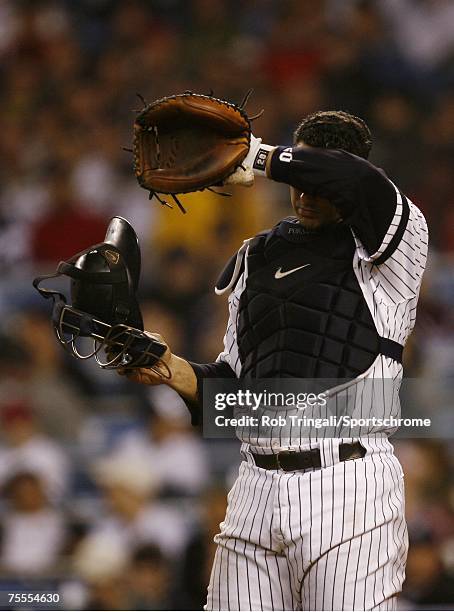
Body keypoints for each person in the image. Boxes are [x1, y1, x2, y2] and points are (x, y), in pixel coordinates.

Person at [120, 110, 428, 611]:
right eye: (298, 175)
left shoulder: (394, 245)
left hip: (347, 483)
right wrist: (170, 369)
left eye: (313, 176)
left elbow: (351, 178)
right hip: (254, 489)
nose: (304, 192)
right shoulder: (257, 255)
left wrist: (258, 155)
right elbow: (236, 393)